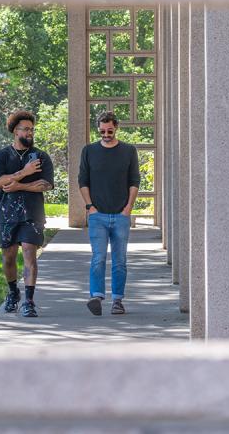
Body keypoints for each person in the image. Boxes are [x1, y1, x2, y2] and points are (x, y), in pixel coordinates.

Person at [0, 110, 54, 317]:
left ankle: (29, 301)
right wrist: (24, 174)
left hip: (32, 214)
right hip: (6, 215)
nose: (30, 133)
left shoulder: (41, 157)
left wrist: (18, 186)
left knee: (29, 252)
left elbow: (46, 185)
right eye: (26, 129)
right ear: (15, 131)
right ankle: (13, 292)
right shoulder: (1, 156)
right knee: (8, 258)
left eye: (32, 130)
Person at [78, 112, 140, 316]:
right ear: (98, 129)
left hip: (121, 215)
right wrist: (90, 207)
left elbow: (134, 181)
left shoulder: (129, 151)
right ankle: (96, 296)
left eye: (110, 131)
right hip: (98, 215)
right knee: (98, 257)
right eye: (102, 131)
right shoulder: (89, 151)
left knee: (120, 260)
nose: (106, 134)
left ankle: (117, 301)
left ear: (116, 128)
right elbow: (83, 181)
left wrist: (128, 209)